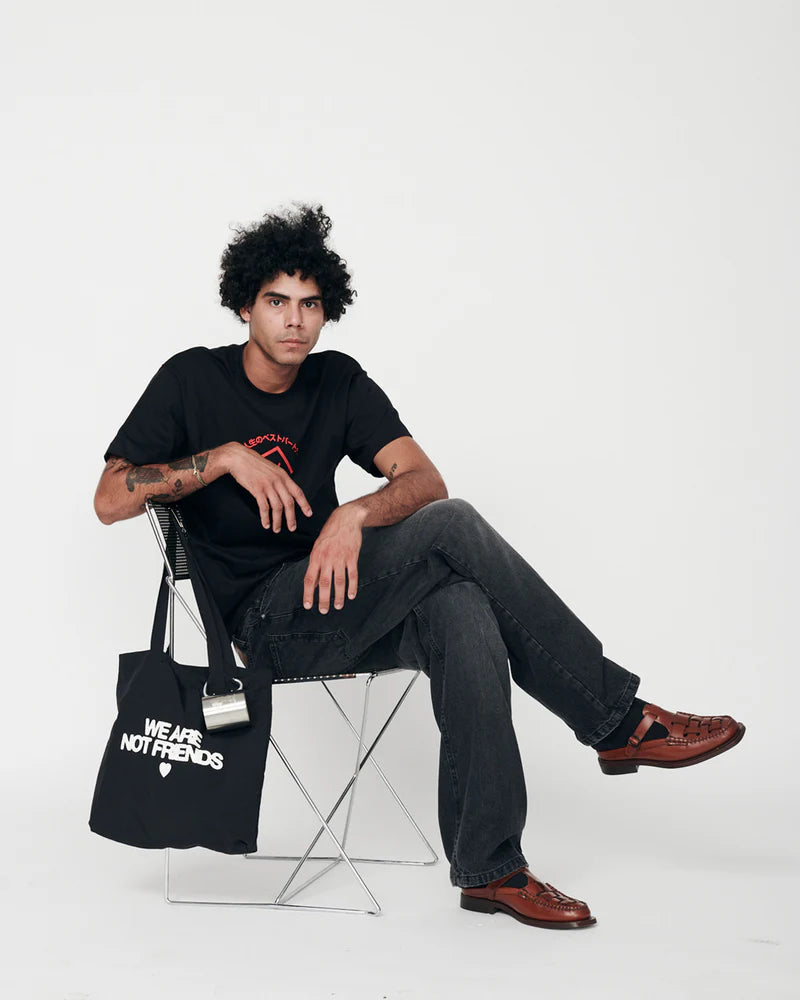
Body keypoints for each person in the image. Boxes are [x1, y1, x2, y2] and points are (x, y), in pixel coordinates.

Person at [93, 203, 745, 930]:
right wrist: (222, 459)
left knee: (460, 606)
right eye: (277, 302)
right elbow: (109, 499)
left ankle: (491, 870)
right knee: (454, 528)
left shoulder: (338, 382)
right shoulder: (191, 380)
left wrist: (352, 514)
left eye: (311, 305)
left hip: (342, 601)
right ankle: (615, 720)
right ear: (245, 305)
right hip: (264, 625)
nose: (295, 321)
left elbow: (423, 479)